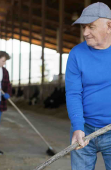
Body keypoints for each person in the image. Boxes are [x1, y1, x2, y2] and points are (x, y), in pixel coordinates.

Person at [65, 2, 111, 170]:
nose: (85, 33)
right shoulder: (77, 54)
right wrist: (77, 127)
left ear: (109, 26)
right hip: (83, 129)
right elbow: (73, 92)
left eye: (91, 27)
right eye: (84, 27)